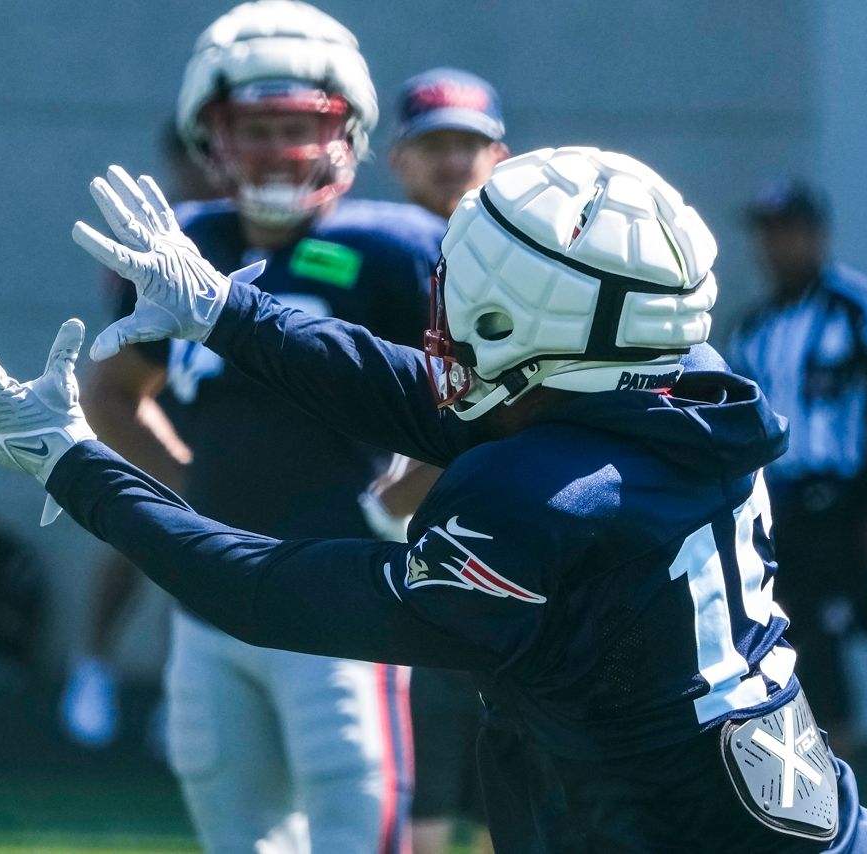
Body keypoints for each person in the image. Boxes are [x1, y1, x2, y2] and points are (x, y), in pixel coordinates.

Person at [0, 147, 867, 852]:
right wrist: (227, 309)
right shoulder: (678, 385)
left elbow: (271, 587)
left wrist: (72, 465)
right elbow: (425, 397)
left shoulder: (541, 504)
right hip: (809, 823)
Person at [63, 2, 442, 849]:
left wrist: (396, 507)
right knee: (235, 833)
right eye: (255, 126)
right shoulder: (184, 241)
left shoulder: (398, 246)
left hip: (344, 588)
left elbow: (468, 406)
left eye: (295, 125)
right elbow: (113, 390)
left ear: (346, 132)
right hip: (212, 593)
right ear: (211, 137)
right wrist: (186, 493)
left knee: (357, 822)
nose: (276, 148)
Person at [729, 179, 867, 762]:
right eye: (766, 234)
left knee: (826, 646)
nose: (774, 247)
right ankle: (782, 787)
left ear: (815, 235)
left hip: (836, 504)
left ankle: (841, 789)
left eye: (786, 232)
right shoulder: (753, 327)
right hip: (771, 506)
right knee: (769, 641)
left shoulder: (857, 310)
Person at [59, 119, 217, 751]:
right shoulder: (158, 236)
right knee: (133, 539)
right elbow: (128, 351)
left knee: (215, 551)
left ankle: (186, 687)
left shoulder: (249, 228)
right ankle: (92, 665)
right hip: (156, 403)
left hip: (227, 411)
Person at [382, 67, 509, 854]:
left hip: (508, 542)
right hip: (400, 548)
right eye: (435, 144)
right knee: (417, 774)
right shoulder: (369, 253)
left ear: (501, 154)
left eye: (468, 143)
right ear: (398, 158)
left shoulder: (525, 263)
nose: (453, 160)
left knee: (515, 770)